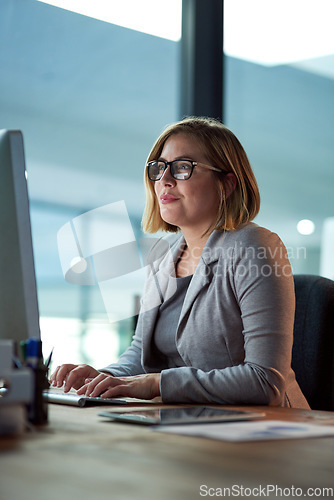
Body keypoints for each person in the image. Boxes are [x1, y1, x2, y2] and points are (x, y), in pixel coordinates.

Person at [50, 117, 309, 408]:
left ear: (227, 183)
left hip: (268, 431)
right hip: (190, 423)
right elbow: (140, 355)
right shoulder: (163, 258)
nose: (165, 179)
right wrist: (104, 377)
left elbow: (264, 381)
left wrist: (156, 383)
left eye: (183, 167)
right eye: (159, 168)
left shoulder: (254, 245)